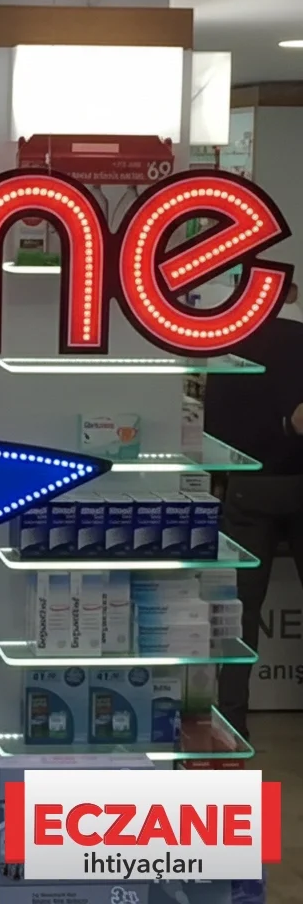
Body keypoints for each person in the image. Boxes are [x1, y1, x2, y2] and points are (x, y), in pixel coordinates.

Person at [204, 282, 303, 738]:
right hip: (296, 480)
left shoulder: (226, 345)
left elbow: (213, 428)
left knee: (241, 614)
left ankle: (230, 723)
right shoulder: (298, 340)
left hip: (247, 489)